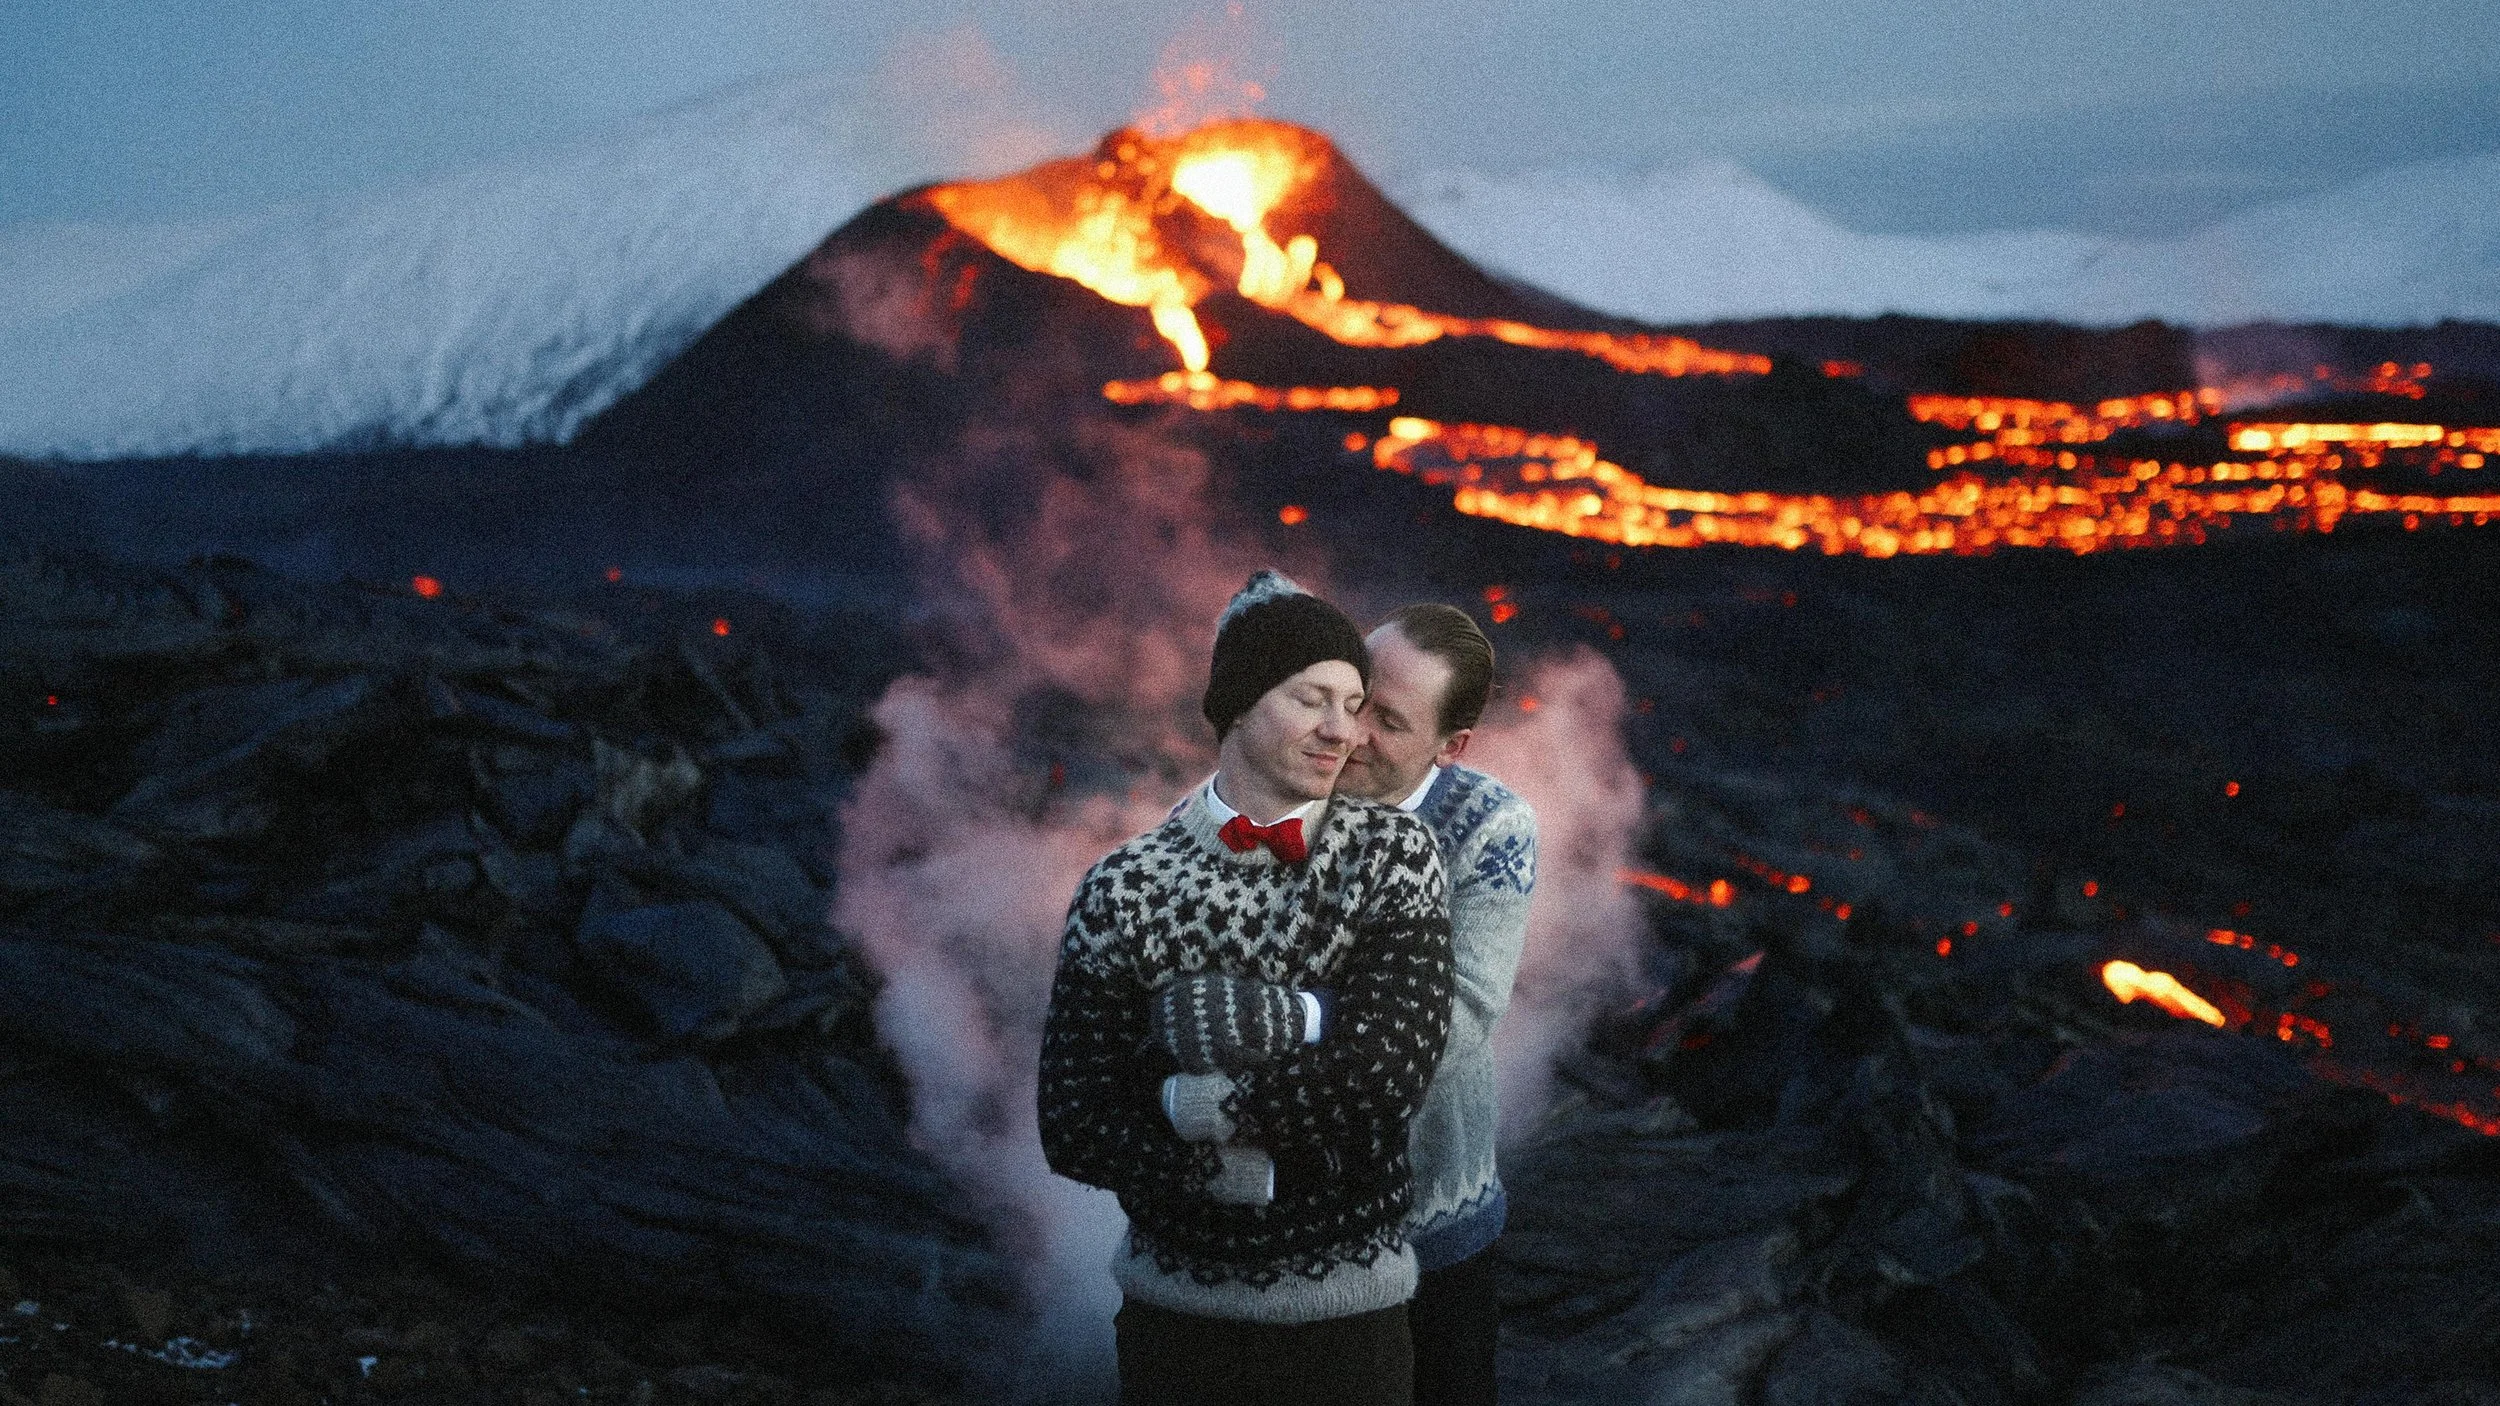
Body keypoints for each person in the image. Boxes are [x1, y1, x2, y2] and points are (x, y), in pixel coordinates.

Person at [1037, 570, 1456, 1406]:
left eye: (1354, 703)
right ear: (1237, 706)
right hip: (1174, 1330)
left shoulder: (1395, 857)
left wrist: (1200, 1109)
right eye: (1312, 699)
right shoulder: (1125, 887)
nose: (1343, 730)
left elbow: (1388, 1071)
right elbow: (1072, 1119)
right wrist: (1208, 1174)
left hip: (1349, 1333)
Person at [1335, 603, 1536, 1406]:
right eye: (1354, 701)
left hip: (1430, 1222)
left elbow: (1456, 1021)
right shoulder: (1289, 784)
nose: (1350, 734)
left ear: (1449, 750)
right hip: (1270, 1229)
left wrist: (1284, 1038)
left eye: (1387, 721)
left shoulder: (1491, 828)